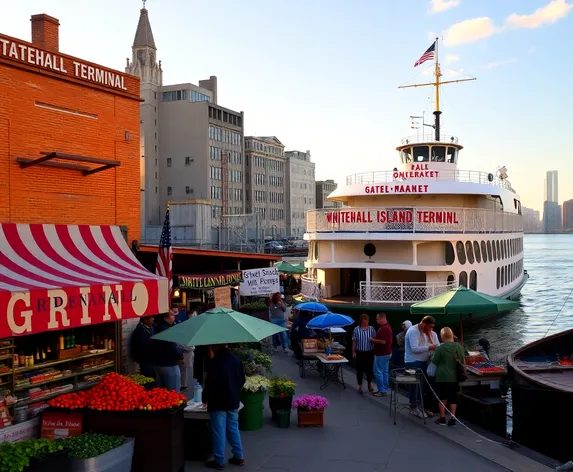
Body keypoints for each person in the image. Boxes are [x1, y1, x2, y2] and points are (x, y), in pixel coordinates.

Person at [203, 344, 246, 470]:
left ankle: (219, 460)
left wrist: (205, 397)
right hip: (233, 400)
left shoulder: (215, 362)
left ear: (216, 347)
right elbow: (242, 379)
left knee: (219, 431)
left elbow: (211, 383)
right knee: (233, 428)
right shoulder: (236, 359)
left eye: (212, 347)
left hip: (218, 401)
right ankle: (239, 456)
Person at [404, 315, 439, 418]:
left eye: (432, 327)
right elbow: (414, 348)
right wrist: (429, 347)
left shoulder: (431, 333)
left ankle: (424, 406)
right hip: (413, 361)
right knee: (415, 384)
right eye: (430, 327)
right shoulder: (413, 331)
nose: (431, 329)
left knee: (425, 385)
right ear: (423, 324)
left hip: (425, 361)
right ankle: (414, 406)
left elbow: (437, 345)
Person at [431, 327, 465, 427]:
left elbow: (434, 361)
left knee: (442, 397)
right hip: (454, 375)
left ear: (442, 336)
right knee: (453, 396)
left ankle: (442, 418)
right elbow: (462, 361)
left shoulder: (440, 348)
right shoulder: (458, 347)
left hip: (441, 376)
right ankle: (452, 417)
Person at [154, 307, 185, 392]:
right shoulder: (166, 330)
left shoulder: (158, 327)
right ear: (165, 317)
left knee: (162, 392)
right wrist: (180, 355)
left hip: (159, 364)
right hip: (169, 364)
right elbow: (171, 346)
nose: (174, 316)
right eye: (171, 315)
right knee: (173, 392)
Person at [352, 314, 376, 394]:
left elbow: (374, 341)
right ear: (361, 321)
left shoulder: (372, 329)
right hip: (360, 352)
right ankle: (360, 385)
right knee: (359, 369)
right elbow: (354, 341)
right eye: (364, 321)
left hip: (369, 352)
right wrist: (353, 351)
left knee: (369, 369)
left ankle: (369, 384)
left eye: (367, 321)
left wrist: (374, 351)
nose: (365, 322)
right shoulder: (356, 329)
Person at [370, 313, 393, 397]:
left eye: (378, 319)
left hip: (381, 353)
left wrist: (372, 340)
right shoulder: (386, 327)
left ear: (382, 318)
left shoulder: (384, 329)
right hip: (387, 353)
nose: (377, 321)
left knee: (378, 372)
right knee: (384, 371)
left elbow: (383, 341)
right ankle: (384, 388)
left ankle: (381, 390)